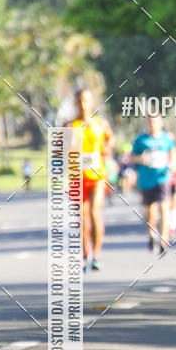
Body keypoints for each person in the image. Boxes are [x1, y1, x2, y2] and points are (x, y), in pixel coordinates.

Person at [67, 89, 114, 271]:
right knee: (83, 218)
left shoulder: (100, 123)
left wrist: (106, 149)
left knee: (95, 214)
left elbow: (110, 140)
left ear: (92, 102)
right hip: (78, 176)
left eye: (86, 100)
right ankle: (85, 253)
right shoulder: (70, 124)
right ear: (75, 103)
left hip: (98, 176)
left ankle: (96, 255)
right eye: (79, 101)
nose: (83, 104)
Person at [131, 114, 176, 255]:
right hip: (146, 180)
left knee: (164, 207)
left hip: (162, 178)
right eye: (150, 121)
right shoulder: (141, 140)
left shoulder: (166, 139)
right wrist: (140, 158)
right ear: (147, 123)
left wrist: (173, 164)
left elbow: (174, 153)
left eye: (155, 121)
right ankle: (152, 235)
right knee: (150, 211)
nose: (153, 124)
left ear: (161, 122)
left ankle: (164, 240)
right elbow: (131, 157)